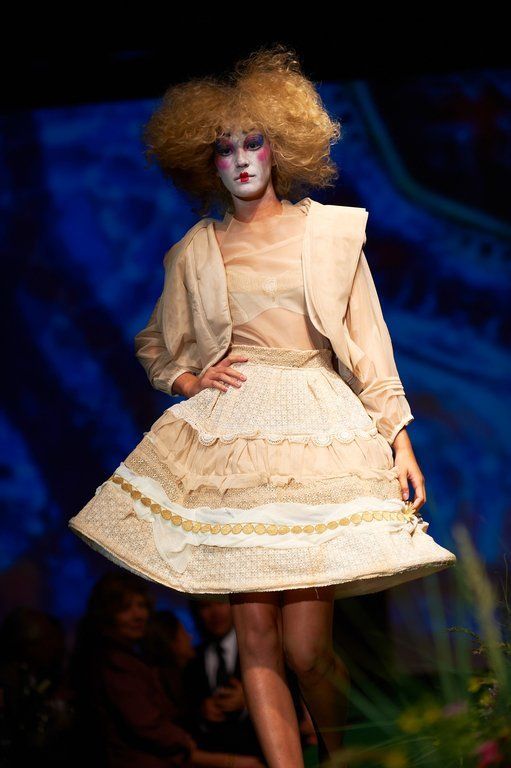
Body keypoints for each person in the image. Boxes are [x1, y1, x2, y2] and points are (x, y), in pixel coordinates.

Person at [68, 44, 457, 767]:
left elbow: (369, 345)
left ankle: (340, 756)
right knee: (255, 640)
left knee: (308, 649)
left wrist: (398, 438)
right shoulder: (196, 250)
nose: (241, 159)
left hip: (315, 429)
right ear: (206, 162)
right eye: (224, 148)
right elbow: (155, 342)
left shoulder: (330, 233)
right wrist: (188, 381)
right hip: (234, 438)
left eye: (253, 142)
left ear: (281, 146)